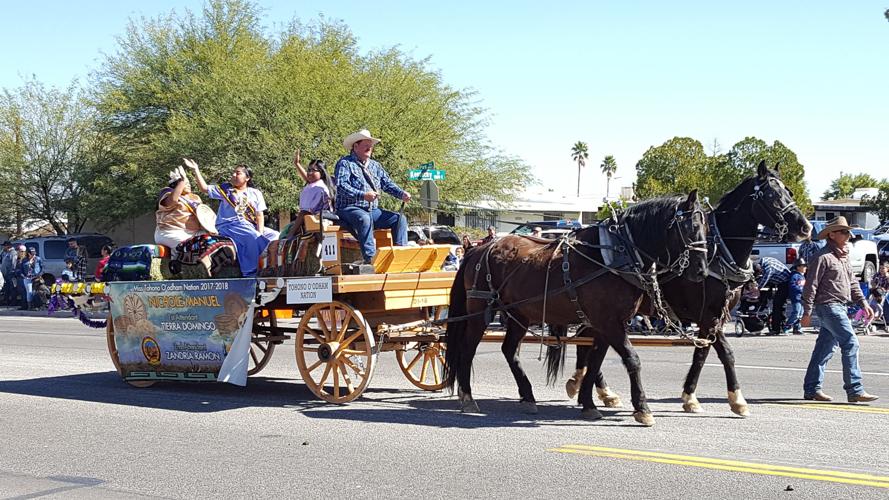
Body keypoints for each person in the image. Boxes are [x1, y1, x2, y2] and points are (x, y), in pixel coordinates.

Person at [801, 216, 879, 403]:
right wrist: (806, 311)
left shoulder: (843, 257)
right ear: (832, 235)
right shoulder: (822, 257)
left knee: (824, 348)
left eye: (848, 231)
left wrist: (864, 304)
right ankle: (855, 389)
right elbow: (810, 285)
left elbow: (853, 283)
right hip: (828, 306)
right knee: (851, 342)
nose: (848, 235)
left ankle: (811, 389)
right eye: (844, 231)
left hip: (840, 307)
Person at [186, 158, 279, 277]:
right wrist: (196, 170)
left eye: (238, 173)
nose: (234, 175)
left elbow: (259, 215)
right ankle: (250, 272)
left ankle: (268, 264)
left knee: (274, 235)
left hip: (249, 224)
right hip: (229, 225)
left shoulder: (255, 193)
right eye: (233, 173)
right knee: (253, 237)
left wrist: (260, 232)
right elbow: (204, 188)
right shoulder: (226, 190)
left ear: (247, 178)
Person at [333, 129, 411, 264]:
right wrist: (363, 195)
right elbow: (341, 187)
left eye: (371, 145)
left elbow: (387, 184)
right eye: (366, 145)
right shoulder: (345, 163)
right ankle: (371, 259)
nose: (370, 148)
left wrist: (401, 194)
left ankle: (400, 255)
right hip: (349, 208)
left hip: (372, 210)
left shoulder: (375, 166)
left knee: (399, 219)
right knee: (364, 218)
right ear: (355, 146)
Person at [155, 166, 214, 257]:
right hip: (171, 232)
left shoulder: (195, 198)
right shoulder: (167, 193)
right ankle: (176, 263)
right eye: (186, 183)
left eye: (188, 183)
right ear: (177, 185)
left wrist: (211, 229)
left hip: (194, 232)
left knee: (214, 240)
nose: (189, 184)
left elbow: (202, 216)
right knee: (192, 246)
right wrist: (182, 180)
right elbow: (173, 200)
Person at [753, 256, 792, 334]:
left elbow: (764, 280)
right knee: (774, 301)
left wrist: (755, 290)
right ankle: (779, 324)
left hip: (785, 282)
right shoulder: (764, 260)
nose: (760, 273)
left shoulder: (768, 267)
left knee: (777, 305)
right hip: (777, 280)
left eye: (759, 272)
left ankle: (776, 328)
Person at [15, 246, 42, 310]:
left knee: (35, 291)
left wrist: (39, 275)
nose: (33, 255)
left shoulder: (38, 259)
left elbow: (42, 267)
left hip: (36, 277)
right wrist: (23, 275)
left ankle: (36, 305)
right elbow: (21, 269)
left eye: (34, 254)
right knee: (29, 292)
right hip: (27, 278)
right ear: (29, 253)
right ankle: (30, 306)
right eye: (32, 254)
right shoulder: (24, 260)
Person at [785, 258, 807, 334]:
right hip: (796, 297)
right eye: (803, 266)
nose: (805, 268)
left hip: (802, 298)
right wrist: (802, 291)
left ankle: (797, 328)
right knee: (796, 312)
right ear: (798, 267)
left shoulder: (802, 276)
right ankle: (787, 326)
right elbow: (793, 286)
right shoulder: (794, 276)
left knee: (801, 313)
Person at [0, 241, 18, 306]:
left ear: (8, 246)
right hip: (5, 274)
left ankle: (14, 302)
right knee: (6, 288)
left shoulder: (13, 253)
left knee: (12, 288)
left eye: (4, 246)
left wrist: (12, 272)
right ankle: (6, 301)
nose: (3, 247)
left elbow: (14, 264)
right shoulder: (5, 252)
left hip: (10, 274)